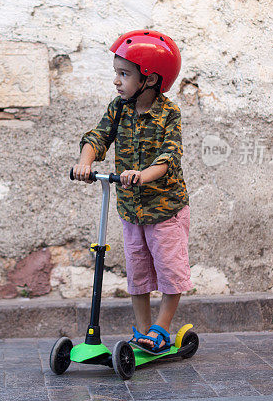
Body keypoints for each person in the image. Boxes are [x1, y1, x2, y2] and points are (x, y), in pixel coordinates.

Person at [72, 29, 191, 354]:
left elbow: (169, 157)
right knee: (138, 271)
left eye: (124, 74)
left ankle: (162, 329)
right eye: (116, 73)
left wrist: (143, 175)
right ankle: (142, 331)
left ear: (150, 79)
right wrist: (85, 162)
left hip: (165, 209)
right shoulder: (119, 108)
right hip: (130, 210)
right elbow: (98, 137)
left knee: (169, 270)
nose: (116, 81)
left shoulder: (169, 114)